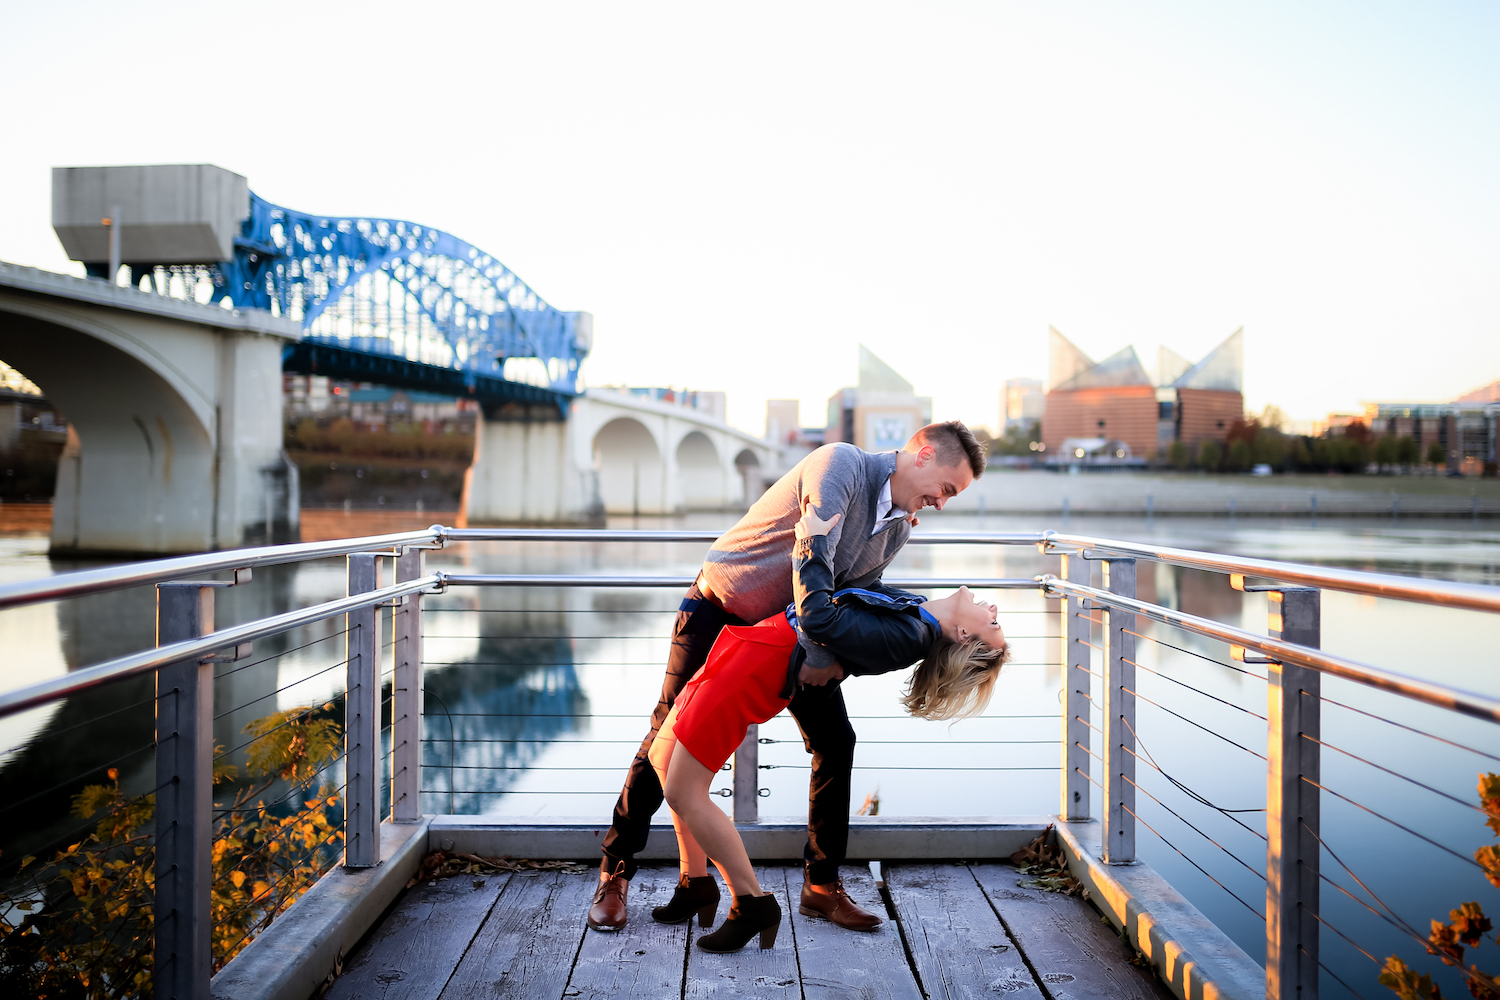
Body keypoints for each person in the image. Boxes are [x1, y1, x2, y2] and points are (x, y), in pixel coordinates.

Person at [587, 421, 988, 933]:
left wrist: (914, 625)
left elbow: (854, 593)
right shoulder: (841, 464)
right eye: (946, 489)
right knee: (664, 734)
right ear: (924, 455)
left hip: (786, 637)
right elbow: (813, 558)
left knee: (835, 742)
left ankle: (821, 887)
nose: (942, 502)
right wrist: (827, 646)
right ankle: (616, 871)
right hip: (719, 609)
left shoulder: (899, 526)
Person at [647, 503, 1010, 951]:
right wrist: (888, 531)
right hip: (747, 650)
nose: (992, 606)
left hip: (754, 671)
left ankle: (751, 903)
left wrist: (812, 540)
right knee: (661, 757)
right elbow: (855, 593)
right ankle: (695, 883)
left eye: (992, 622)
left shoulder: (908, 636)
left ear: (964, 637)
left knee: (684, 791)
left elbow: (819, 615)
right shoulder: (918, 616)